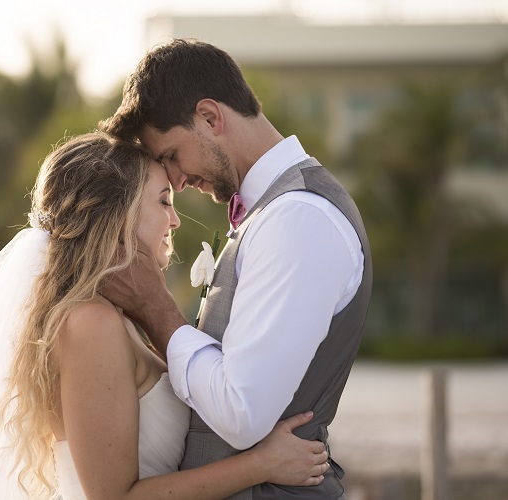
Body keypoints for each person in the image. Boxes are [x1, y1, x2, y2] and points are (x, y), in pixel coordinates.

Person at [0, 132, 331, 499]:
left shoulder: (107, 317)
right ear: (116, 215)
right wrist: (261, 465)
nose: (175, 221)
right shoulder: (90, 324)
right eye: (163, 201)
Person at [98, 38, 373, 499]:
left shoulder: (298, 218)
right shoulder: (276, 212)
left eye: (169, 155)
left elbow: (241, 413)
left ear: (210, 117)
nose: (177, 180)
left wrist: (155, 309)